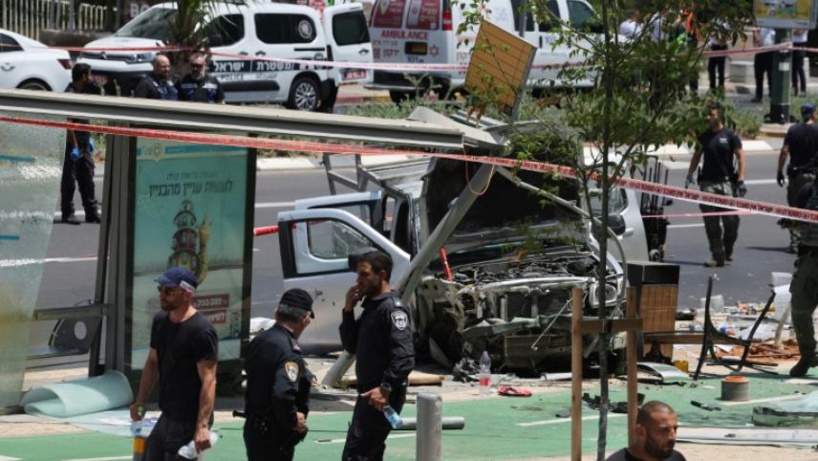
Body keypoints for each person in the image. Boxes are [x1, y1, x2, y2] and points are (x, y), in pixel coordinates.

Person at [130, 267, 218, 461]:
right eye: (160, 289)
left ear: (187, 294)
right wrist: (141, 399)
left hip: (189, 419)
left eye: (168, 291)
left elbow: (209, 380)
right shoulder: (161, 321)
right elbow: (153, 362)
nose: (162, 295)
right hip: (168, 414)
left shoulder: (201, 331)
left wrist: (202, 426)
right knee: (149, 455)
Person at [340, 250, 414, 461]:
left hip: (380, 395)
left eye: (364, 275)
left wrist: (385, 388)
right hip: (369, 394)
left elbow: (405, 357)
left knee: (357, 455)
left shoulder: (392, 309)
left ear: (382, 275)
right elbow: (351, 346)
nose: (358, 281)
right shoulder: (373, 307)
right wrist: (347, 311)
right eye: (358, 275)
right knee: (367, 453)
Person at [243, 289, 314, 461]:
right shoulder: (290, 352)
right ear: (305, 320)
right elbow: (283, 394)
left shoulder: (259, 341)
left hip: (254, 428)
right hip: (274, 435)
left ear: (276, 313)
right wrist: (293, 421)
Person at [685, 103, 746, 267]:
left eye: (711, 115)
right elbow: (697, 156)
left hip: (726, 183)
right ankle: (717, 255)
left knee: (731, 221)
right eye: (707, 115)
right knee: (711, 223)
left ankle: (728, 247)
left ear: (719, 116)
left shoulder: (729, 135)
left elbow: (740, 156)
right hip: (708, 183)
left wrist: (740, 179)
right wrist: (689, 175)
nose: (708, 118)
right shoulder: (704, 136)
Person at [61, 63, 101, 225]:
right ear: (83, 76)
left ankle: (91, 213)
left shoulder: (82, 93)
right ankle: (68, 213)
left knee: (88, 180)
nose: (90, 78)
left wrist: (88, 139)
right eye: (89, 75)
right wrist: (75, 145)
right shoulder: (70, 94)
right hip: (73, 146)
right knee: (69, 182)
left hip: (84, 144)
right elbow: (68, 123)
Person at [777, 103, 818, 253]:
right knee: (812, 209)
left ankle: (795, 243)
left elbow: (784, 151)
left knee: (795, 207)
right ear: (813, 113)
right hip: (813, 177)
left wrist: (779, 171)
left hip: (796, 176)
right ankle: (809, 241)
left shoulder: (793, 130)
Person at [789, 177, 818, 377]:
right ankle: (809, 355)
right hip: (809, 257)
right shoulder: (809, 190)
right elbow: (794, 218)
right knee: (800, 308)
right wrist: (791, 221)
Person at [605, 401, 686, 461]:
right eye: (664, 430)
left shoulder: (676, 458)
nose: (673, 437)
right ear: (640, 431)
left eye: (675, 429)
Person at [752, 26, 775, 103]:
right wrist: (755, 32)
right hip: (760, 52)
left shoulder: (774, 29)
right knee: (758, 75)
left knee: (771, 75)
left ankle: (772, 95)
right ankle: (759, 96)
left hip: (771, 53)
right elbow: (756, 41)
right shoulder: (760, 29)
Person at [707, 24, 728, 92]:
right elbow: (710, 35)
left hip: (721, 47)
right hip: (713, 46)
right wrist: (709, 45)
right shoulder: (713, 21)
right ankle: (712, 88)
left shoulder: (725, 23)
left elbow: (724, 36)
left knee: (721, 69)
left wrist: (716, 34)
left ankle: (720, 88)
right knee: (711, 68)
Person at [792, 28, 808, 97]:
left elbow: (800, 32)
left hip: (801, 44)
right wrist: (794, 31)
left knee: (800, 68)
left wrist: (792, 31)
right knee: (793, 68)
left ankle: (803, 90)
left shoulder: (804, 22)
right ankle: (794, 89)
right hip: (793, 43)